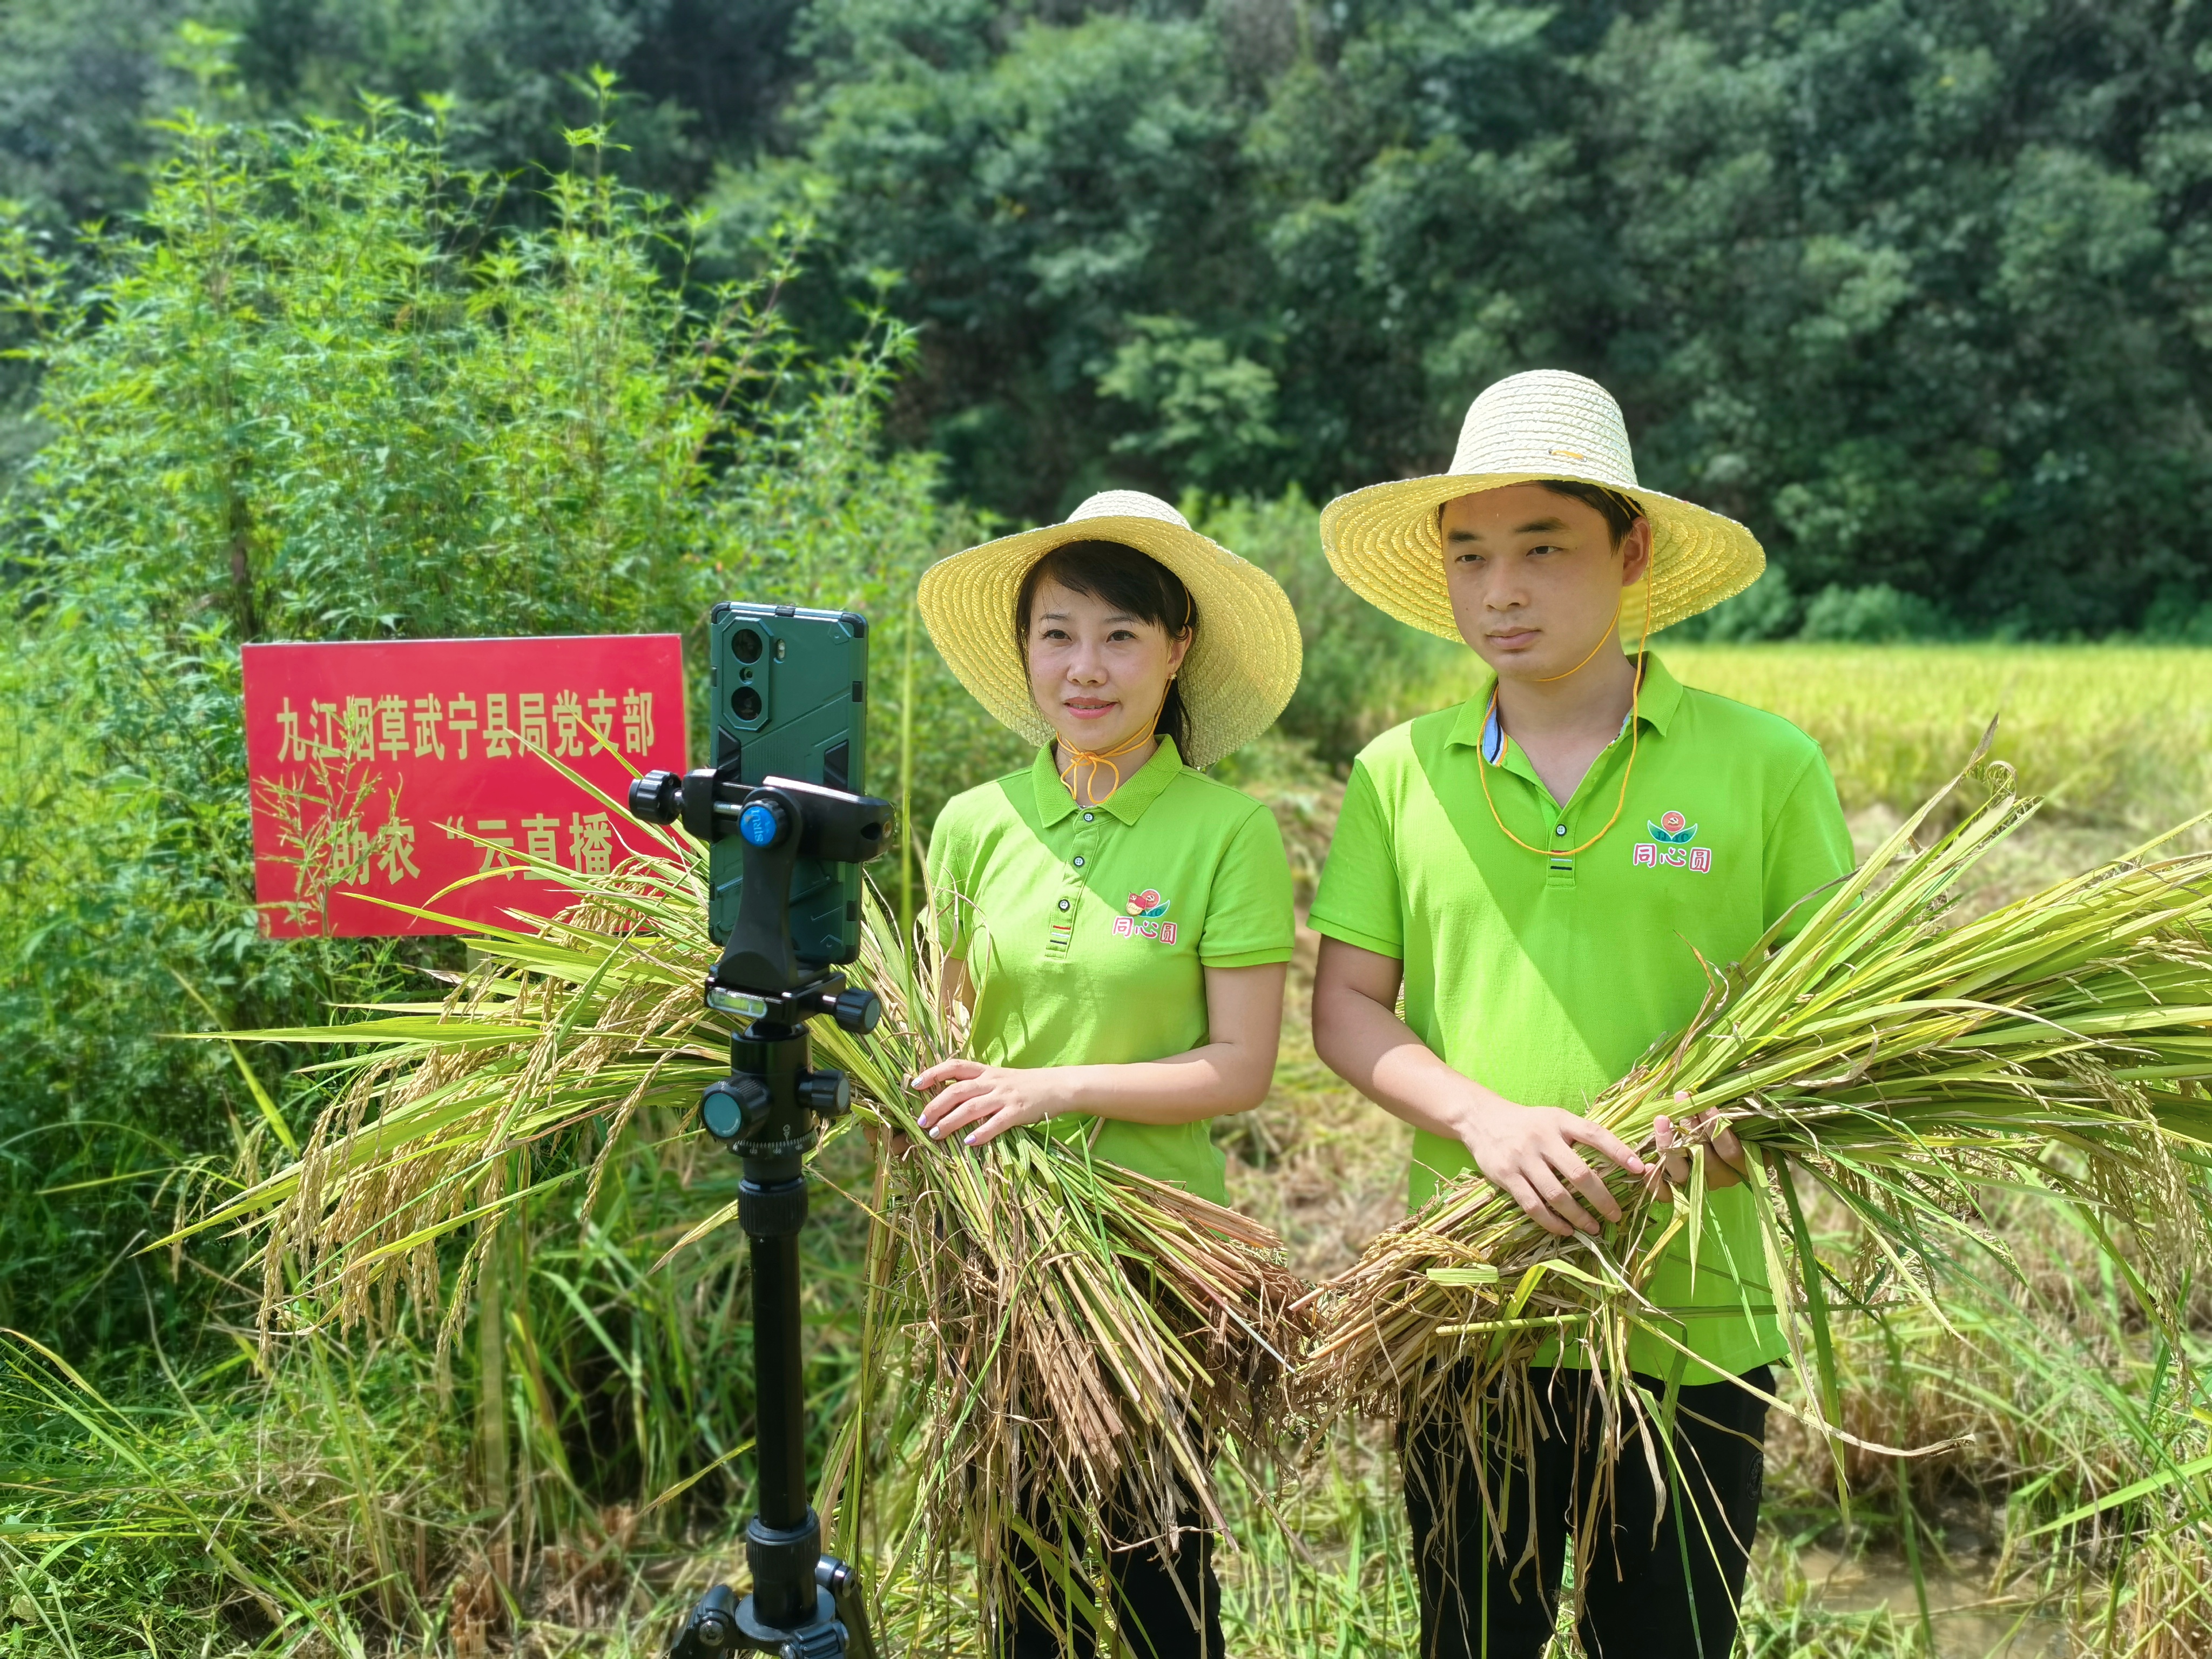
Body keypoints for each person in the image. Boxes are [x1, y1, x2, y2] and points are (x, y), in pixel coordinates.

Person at [1306, 370, 1855, 1659]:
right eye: (1470, 555)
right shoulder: (1399, 774)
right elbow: (1344, 1007)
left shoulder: (1763, 765)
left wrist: (1752, 1116)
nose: (1500, 590)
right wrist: (1484, 1122)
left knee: (1661, 1642)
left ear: (1632, 550)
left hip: (1692, 1314)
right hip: (1463, 1304)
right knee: (1468, 1636)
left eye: (1542, 550)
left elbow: (1833, 1021)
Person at [912, 488, 1304, 1659]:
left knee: (1158, 1581)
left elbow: (1239, 1069)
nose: (1085, 668)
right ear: (1024, 648)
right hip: (999, 1262)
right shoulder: (973, 823)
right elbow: (942, 1039)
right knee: (1020, 1582)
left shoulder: (1226, 831)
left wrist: (1054, 1090)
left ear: (1176, 651)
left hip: (1154, 1260)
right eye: (1057, 633)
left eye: (1121, 636)